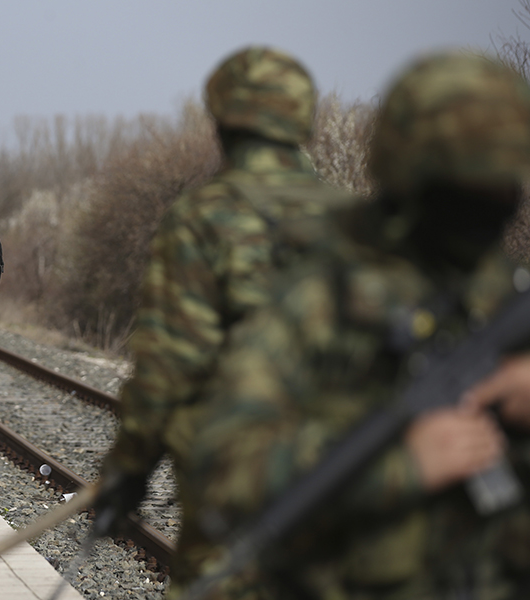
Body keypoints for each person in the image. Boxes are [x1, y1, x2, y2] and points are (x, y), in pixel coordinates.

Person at [178, 52, 530, 599]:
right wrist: (402, 466)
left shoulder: (507, 298)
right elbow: (224, 464)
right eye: (463, 189)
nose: (485, 209)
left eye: (497, 187)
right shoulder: (326, 292)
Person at [89, 46, 352, 594]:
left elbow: (167, 371)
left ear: (224, 123)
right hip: (348, 480)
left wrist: (128, 471)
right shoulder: (356, 222)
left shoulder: (203, 218)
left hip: (235, 489)